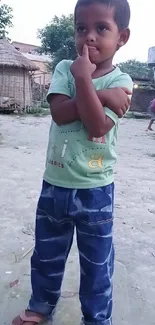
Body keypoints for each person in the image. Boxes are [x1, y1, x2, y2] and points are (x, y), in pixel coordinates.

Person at [12, 0, 133, 324]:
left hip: (95, 190)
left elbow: (97, 126)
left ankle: (96, 318)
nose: (89, 37)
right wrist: (92, 88)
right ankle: (40, 307)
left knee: (96, 264)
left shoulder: (121, 84)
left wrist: (87, 83)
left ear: (122, 37)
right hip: (55, 184)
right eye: (82, 29)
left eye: (101, 29)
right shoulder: (66, 68)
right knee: (46, 255)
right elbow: (60, 114)